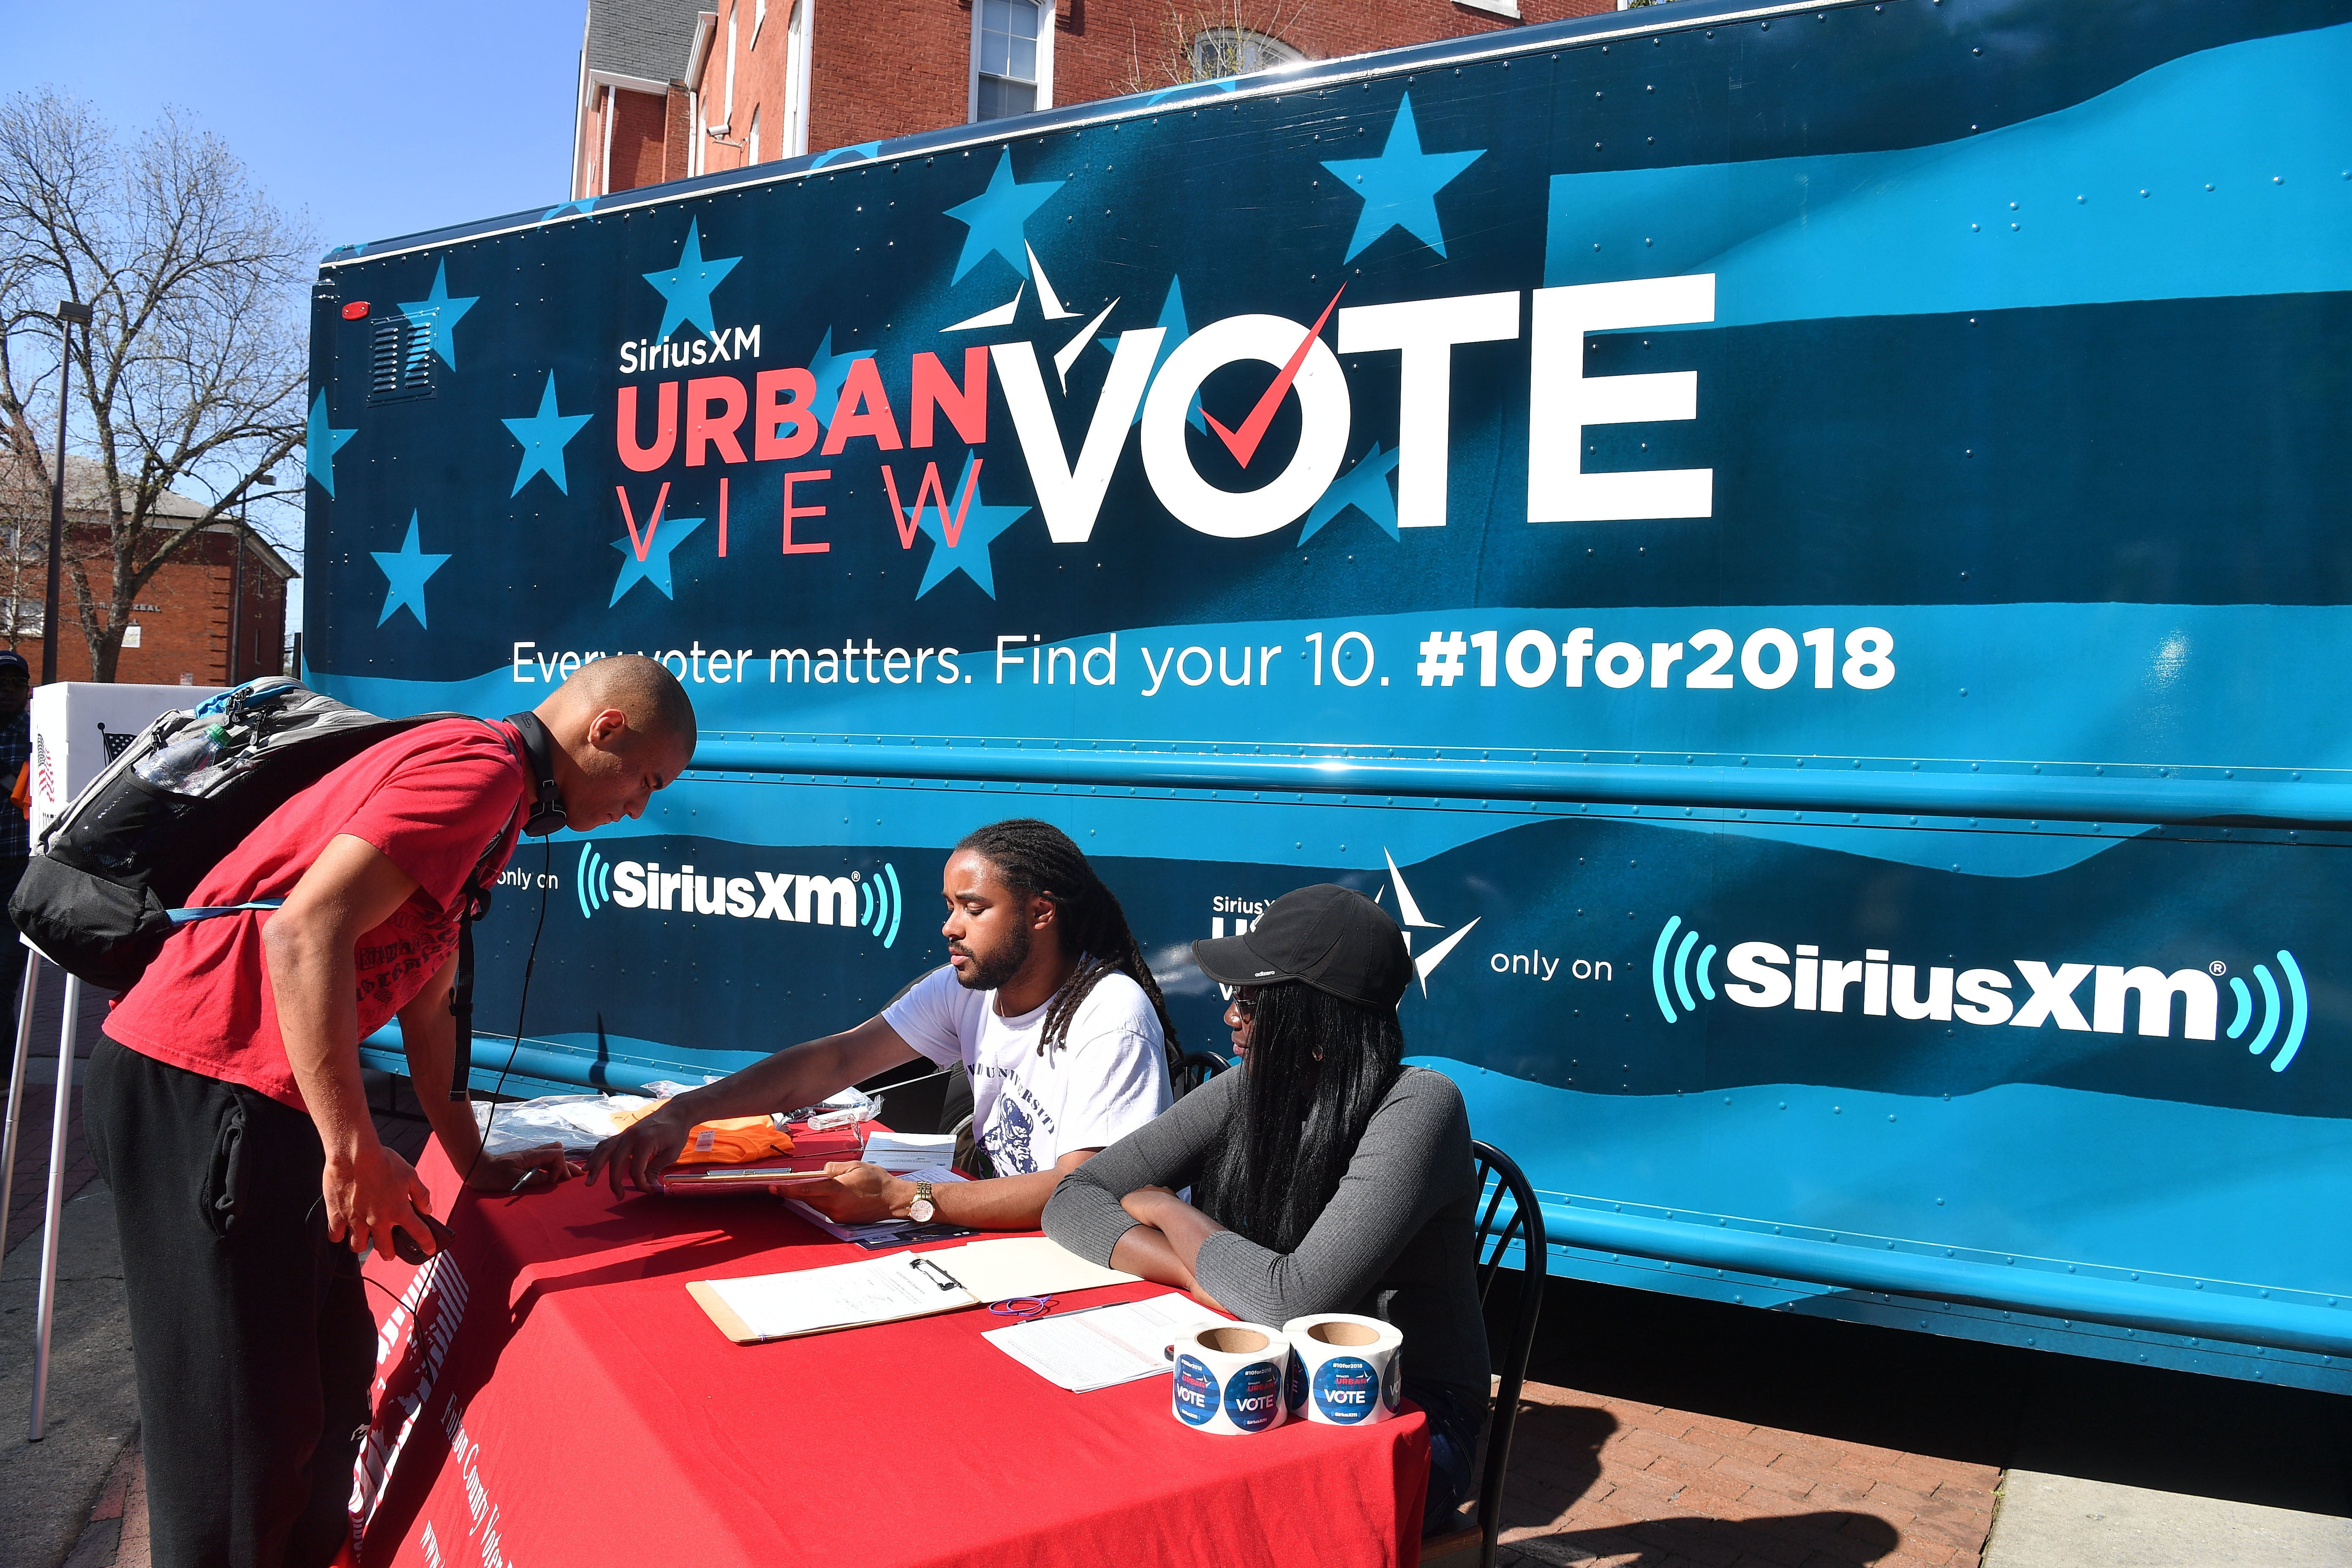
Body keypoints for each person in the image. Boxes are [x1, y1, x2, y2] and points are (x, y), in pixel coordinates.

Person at [84, 655, 697, 1568]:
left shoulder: (499, 799)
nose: (641, 806)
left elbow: (429, 988)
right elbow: (305, 930)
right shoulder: (478, 771)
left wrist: (472, 1152)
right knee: (238, 1448)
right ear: (604, 729)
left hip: (267, 1098)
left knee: (325, 1397)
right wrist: (351, 1147)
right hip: (209, 1086)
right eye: (647, 779)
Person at [1042, 883, 1489, 1530]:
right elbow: (1073, 1200)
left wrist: (1171, 1212)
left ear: (1316, 1021)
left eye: (1250, 1000)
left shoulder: (1419, 1106)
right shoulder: (1250, 1088)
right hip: (1273, 1364)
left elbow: (1291, 1301)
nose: (1232, 1018)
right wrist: (1200, 1273)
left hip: (1404, 1406)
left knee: (1226, 1513)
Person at [587, 817, 1177, 1231]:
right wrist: (686, 1111)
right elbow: (838, 1060)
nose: (950, 927)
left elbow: (1082, 1192)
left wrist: (906, 1199)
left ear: (1041, 912)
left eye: (974, 909)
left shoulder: (1111, 1013)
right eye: (949, 906)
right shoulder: (965, 989)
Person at [0, 650, 28, 1026]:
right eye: (0, 683)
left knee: (4, 976)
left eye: (15, 683)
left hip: (16, 871)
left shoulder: (39, 734)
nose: (7, 690)